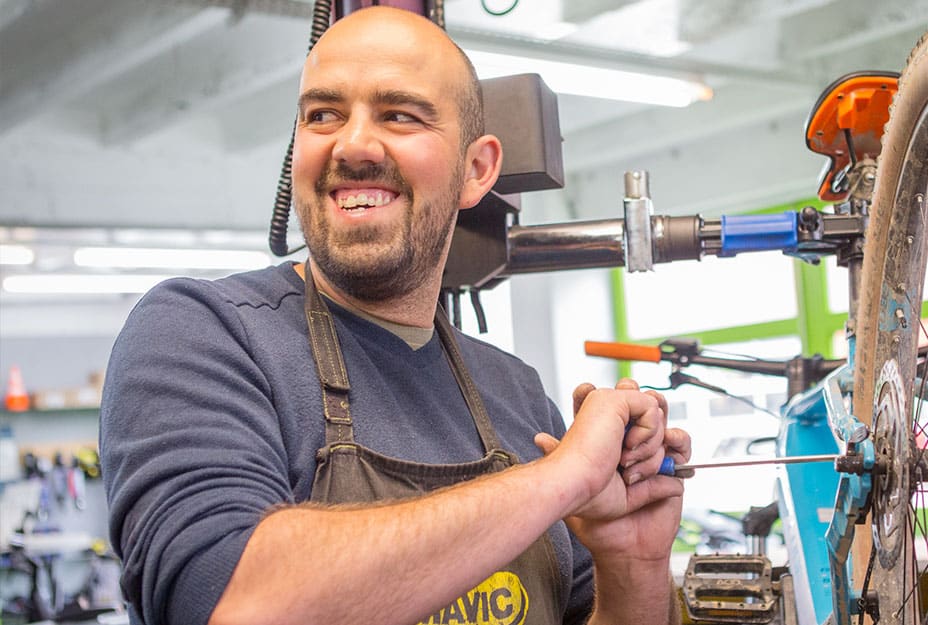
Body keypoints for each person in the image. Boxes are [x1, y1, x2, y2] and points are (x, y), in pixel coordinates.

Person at [98, 6, 691, 625]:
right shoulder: (202, 335)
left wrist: (631, 565)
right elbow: (229, 602)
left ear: (476, 170)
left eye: (399, 115)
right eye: (323, 114)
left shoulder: (516, 393)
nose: (352, 145)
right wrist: (562, 479)